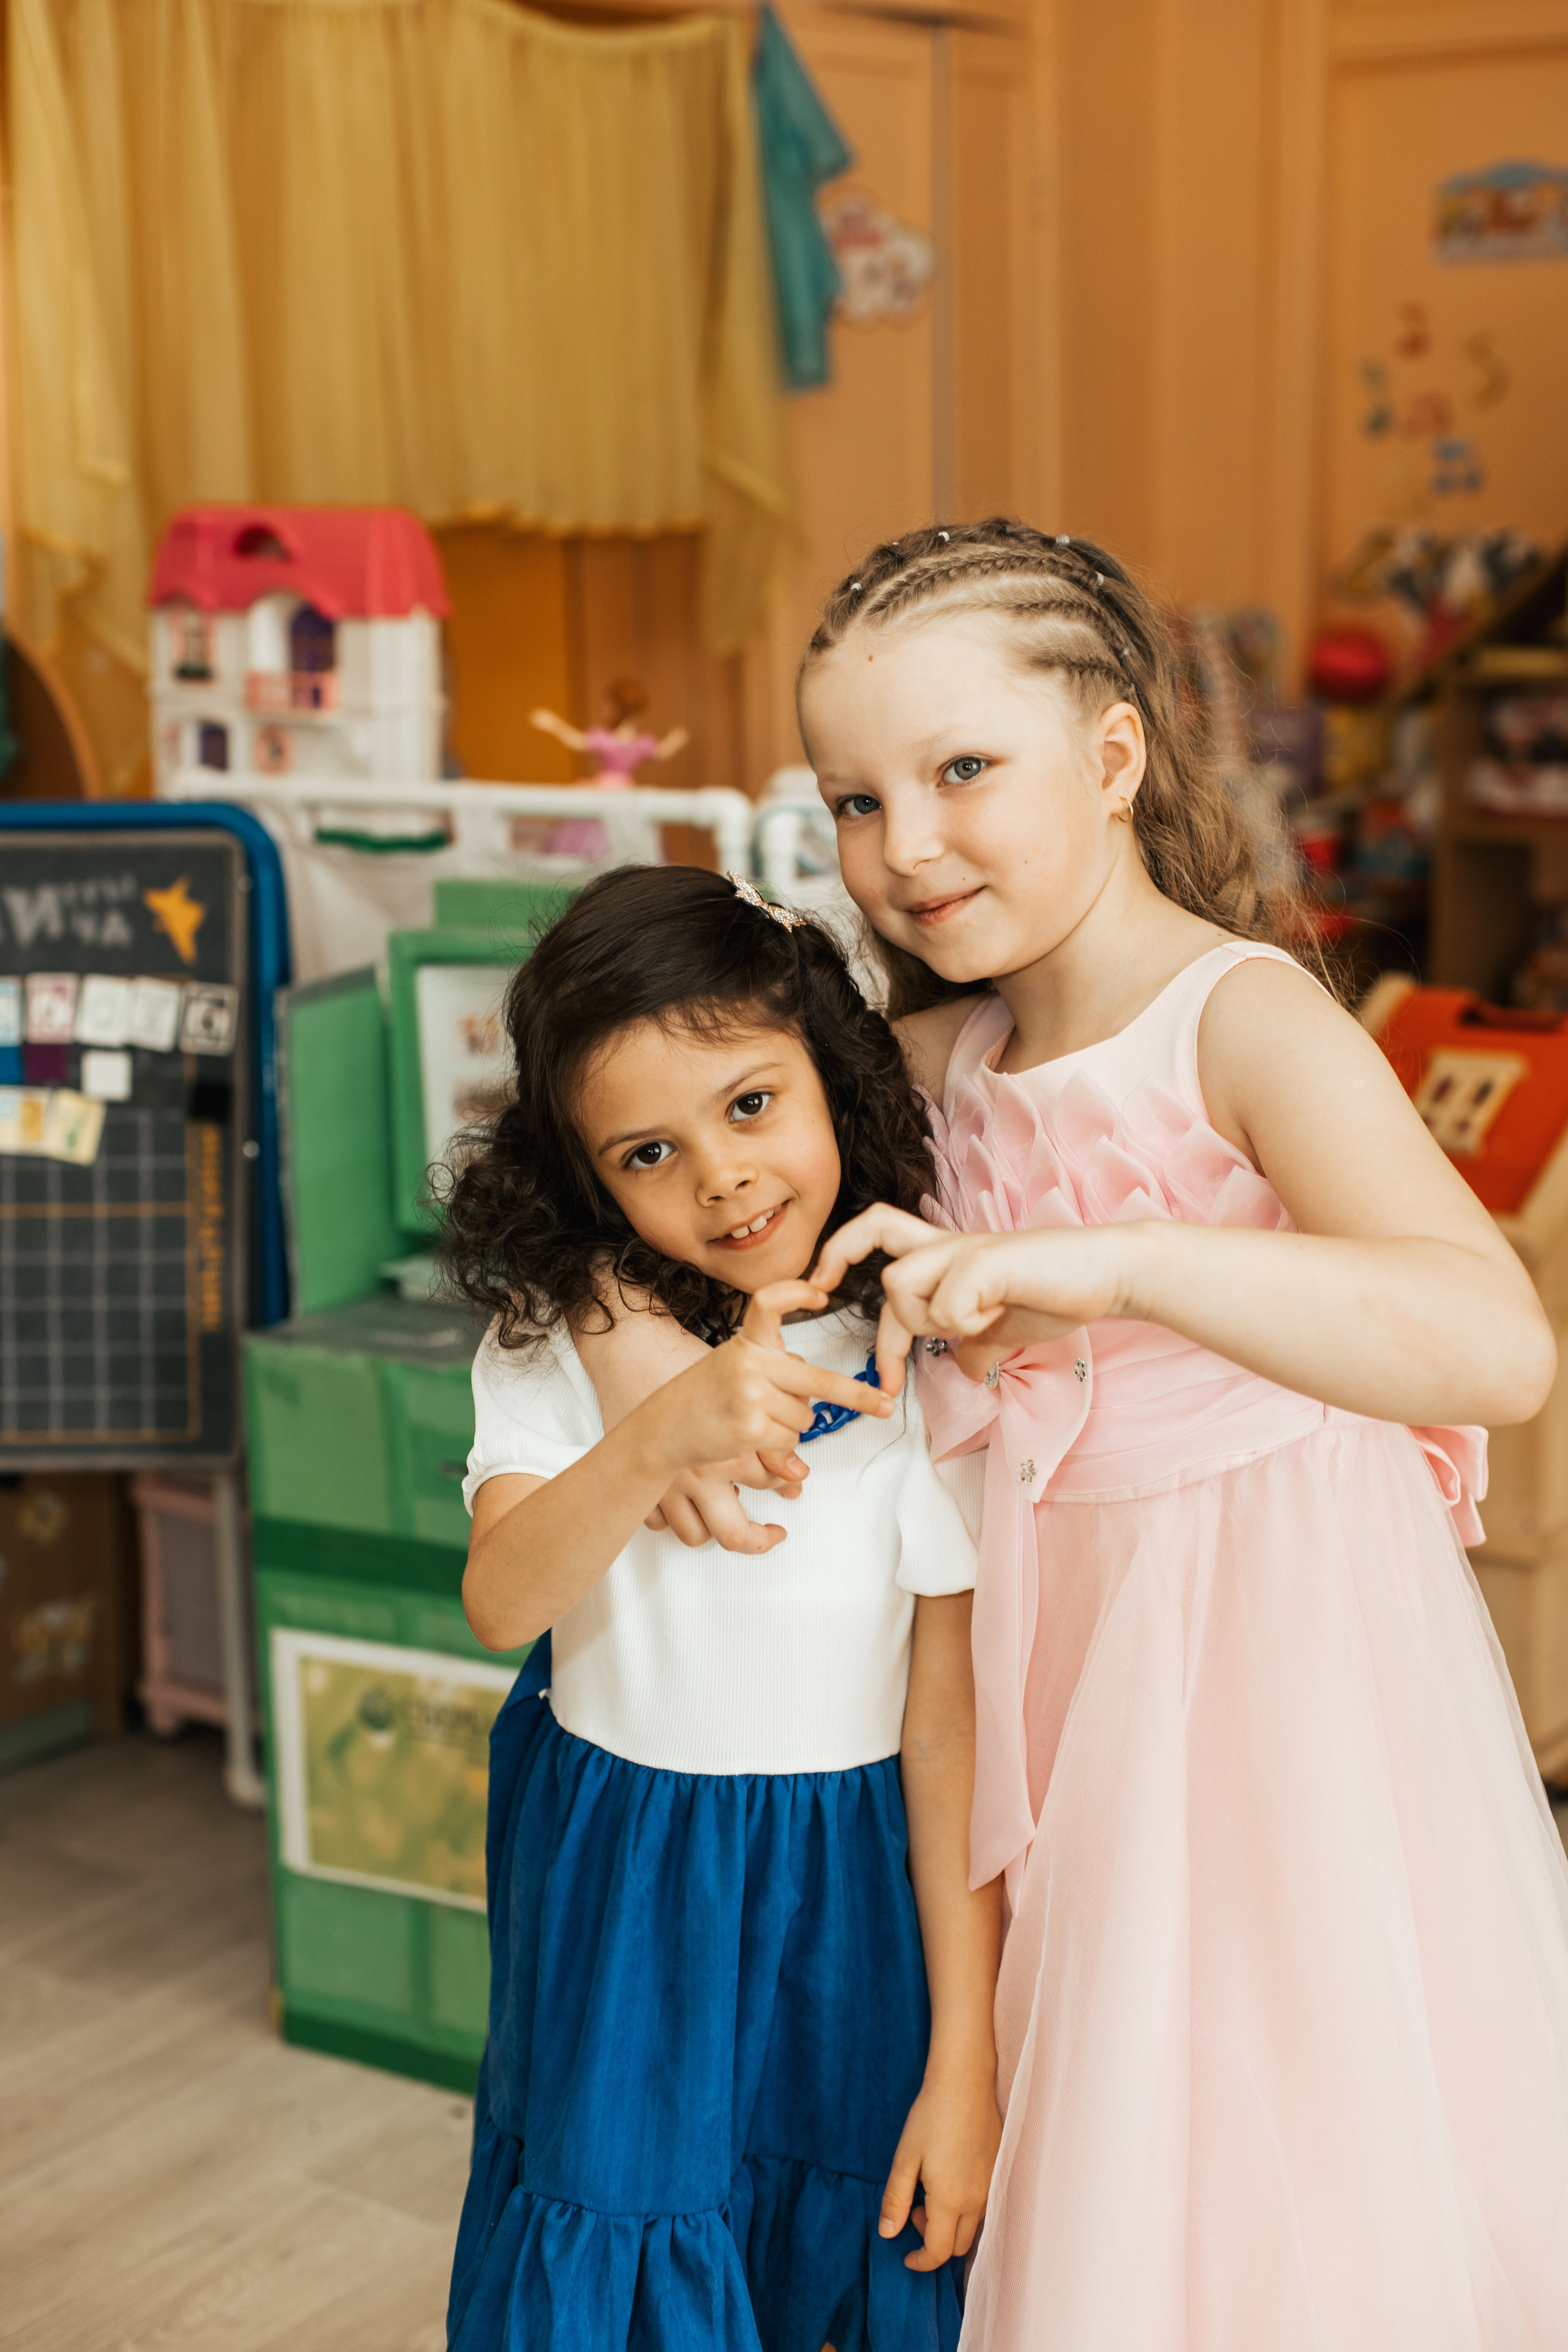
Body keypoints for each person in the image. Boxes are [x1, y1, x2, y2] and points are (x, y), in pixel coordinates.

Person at [790, 518, 1568, 2348]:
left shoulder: (1242, 1017)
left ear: (1114, 753)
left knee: (1286, 2150)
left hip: (1262, 1685)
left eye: (961, 770)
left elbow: (1494, 1344)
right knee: (1115, 2167)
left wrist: (1129, 1258)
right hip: (1042, 1668)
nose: (904, 846)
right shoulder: (935, 1065)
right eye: (853, 801)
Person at [438, 863, 1001, 2352]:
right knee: (620, 2227)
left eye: (751, 1105)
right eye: (649, 1151)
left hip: (857, 1892)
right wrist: (651, 1438)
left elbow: (947, 1734)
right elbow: (500, 1598)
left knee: (846, 2236)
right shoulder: (559, 1338)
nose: (722, 1178)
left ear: (831, 1077)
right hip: (627, 1878)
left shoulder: (916, 1348)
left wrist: (965, 2054)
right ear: (590, 1182)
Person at [530, 677, 688, 859]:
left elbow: (578, 741)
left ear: (614, 708)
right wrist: (674, 741)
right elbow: (662, 751)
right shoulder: (636, 742)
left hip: (607, 791)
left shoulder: (609, 739)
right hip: (623, 792)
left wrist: (554, 724)